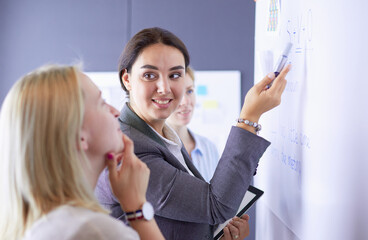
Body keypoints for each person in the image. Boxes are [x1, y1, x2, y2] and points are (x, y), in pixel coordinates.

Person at [95, 27, 290, 240]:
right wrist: (249, 117)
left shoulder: (162, 136)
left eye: (175, 75)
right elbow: (216, 206)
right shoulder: (129, 148)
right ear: (127, 80)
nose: (164, 87)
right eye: (149, 75)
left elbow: (177, 222)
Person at [0, 64, 165, 240]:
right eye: (102, 103)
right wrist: (137, 206)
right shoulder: (94, 231)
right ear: (77, 135)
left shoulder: (38, 225)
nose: (116, 112)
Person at [166, 66, 250, 239]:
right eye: (176, 94)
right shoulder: (154, 153)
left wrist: (227, 231)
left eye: (189, 91)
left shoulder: (208, 147)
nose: (185, 102)